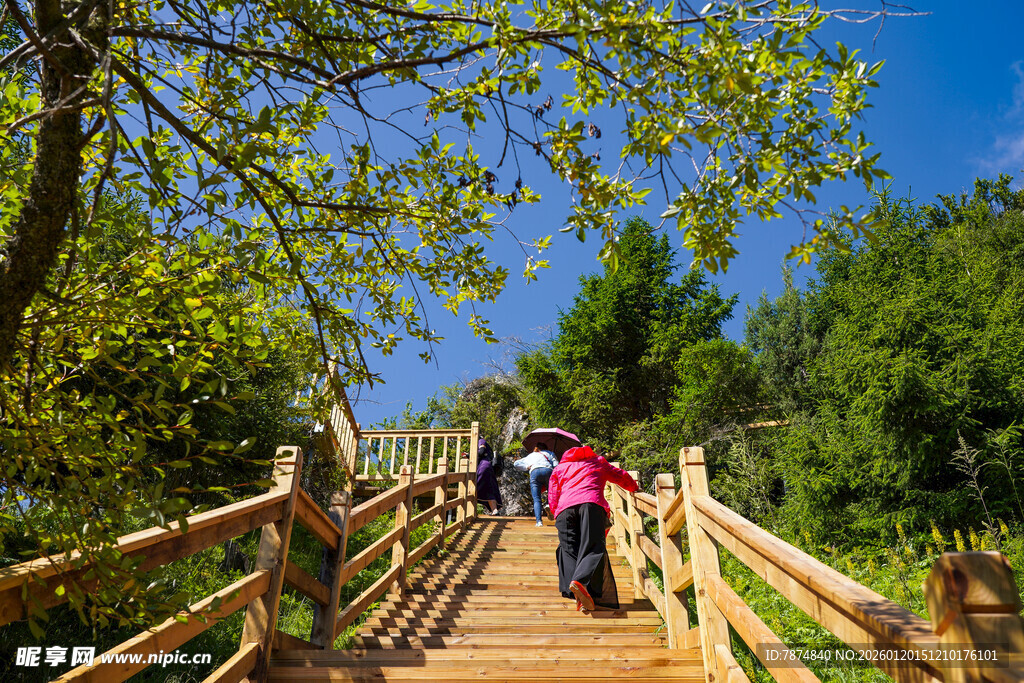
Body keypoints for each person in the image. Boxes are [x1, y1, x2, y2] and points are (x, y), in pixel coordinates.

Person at [548, 445, 638, 612]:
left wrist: (556, 513)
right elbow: (620, 476)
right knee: (592, 545)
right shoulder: (597, 461)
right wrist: (634, 488)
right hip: (591, 505)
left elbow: (553, 494)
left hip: (564, 511)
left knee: (569, 550)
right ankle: (581, 582)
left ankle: (581, 597)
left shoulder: (560, 468)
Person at [513, 443, 558, 526]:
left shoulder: (531, 455)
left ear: (537, 448)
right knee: (550, 493)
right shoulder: (550, 453)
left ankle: (539, 522)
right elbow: (556, 465)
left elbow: (516, 463)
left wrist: (526, 467)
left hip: (534, 472)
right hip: (548, 470)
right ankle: (548, 504)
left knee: (536, 498)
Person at [475, 438, 502, 514]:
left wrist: (469, 455)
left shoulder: (481, 441)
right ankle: (494, 510)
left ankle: (469, 510)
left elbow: (482, 451)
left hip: (483, 468)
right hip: (488, 468)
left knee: (475, 488)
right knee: (489, 489)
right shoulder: (480, 443)